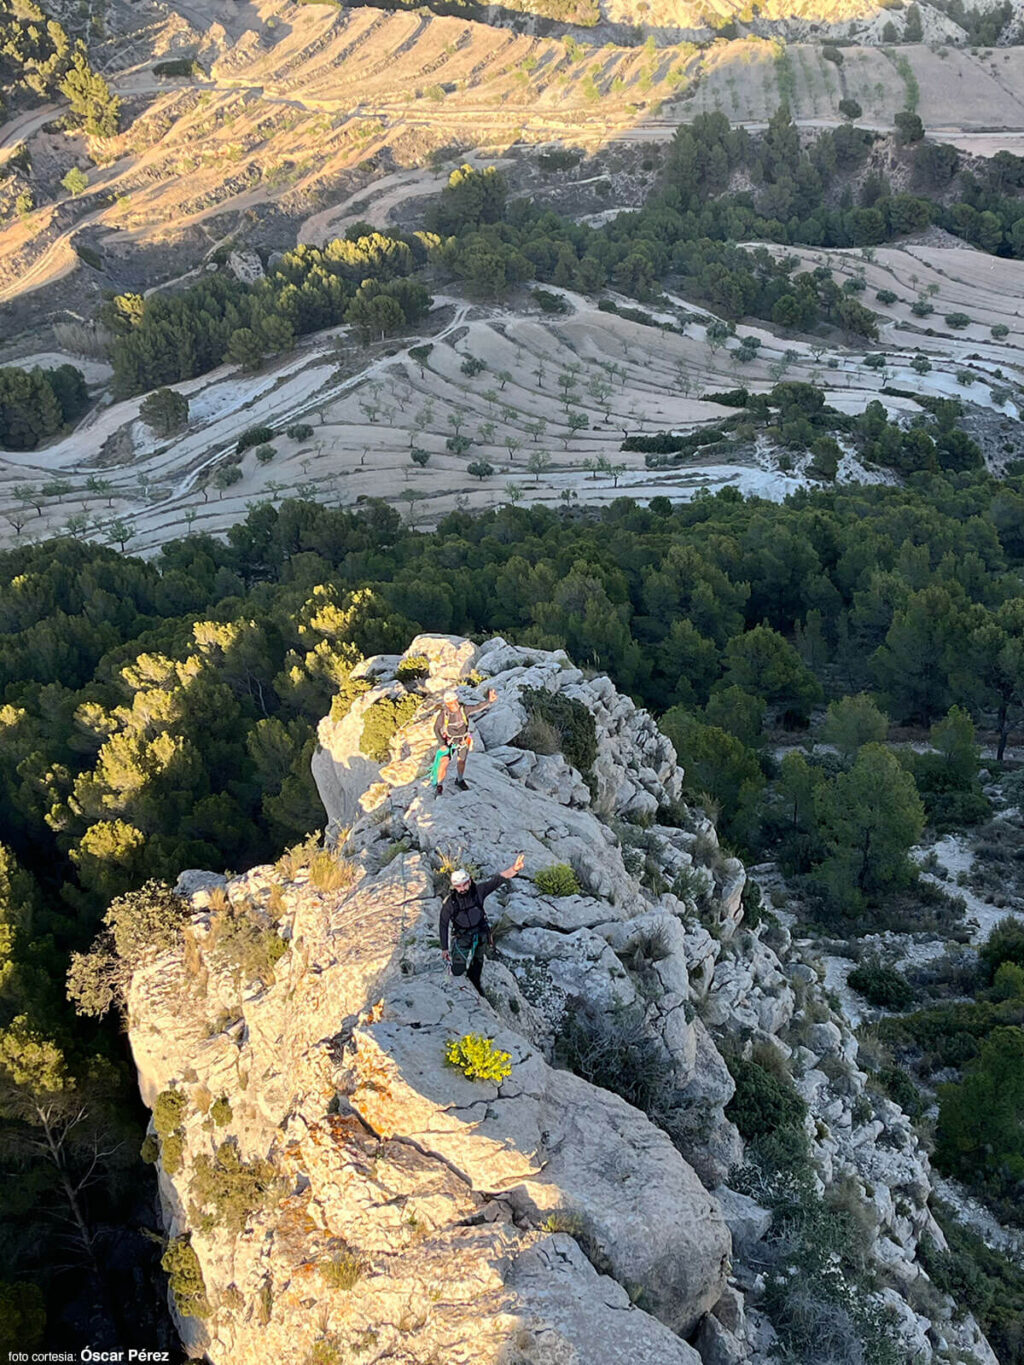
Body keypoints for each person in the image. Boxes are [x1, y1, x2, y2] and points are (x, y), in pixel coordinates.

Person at [440, 853, 525, 995]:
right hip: (462, 936)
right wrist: (444, 948)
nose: (462, 888)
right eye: (458, 886)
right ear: (454, 887)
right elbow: (443, 923)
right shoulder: (451, 903)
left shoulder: (478, 891)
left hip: (480, 933)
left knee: (477, 962)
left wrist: (514, 869)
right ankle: (456, 976)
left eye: (464, 884)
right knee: (458, 969)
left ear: (470, 881)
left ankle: (475, 984)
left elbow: (498, 879)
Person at [431, 686, 498, 795]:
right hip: (449, 741)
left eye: (455, 701)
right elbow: (436, 728)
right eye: (452, 702)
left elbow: (478, 707)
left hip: (462, 740)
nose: (455, 704)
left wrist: (489, 701)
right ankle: (439, 785)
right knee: (444, 762)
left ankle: (460, 780)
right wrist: (442, 743)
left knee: (461, 762)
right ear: (447, 704)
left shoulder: (464, 710)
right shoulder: (444, 715)